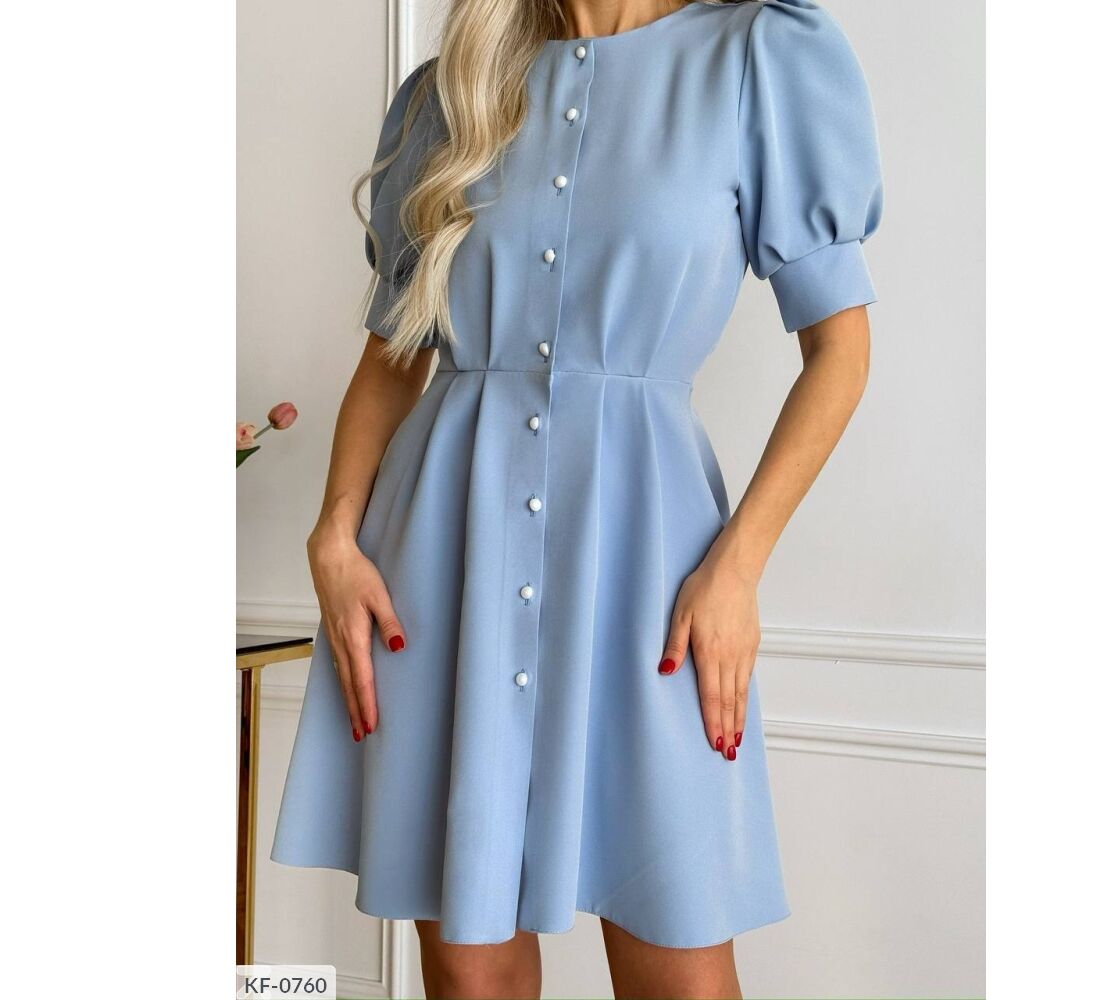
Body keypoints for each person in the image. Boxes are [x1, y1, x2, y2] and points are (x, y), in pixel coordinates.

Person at [271, 0, 882, 995]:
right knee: (469, 975)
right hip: (443, 557)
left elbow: (839, 353)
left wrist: (737, 568)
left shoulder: (760, 57)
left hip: (651, 560)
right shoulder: (449, 92)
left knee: (677, 962)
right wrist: (335, 535)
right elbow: (391, 358)